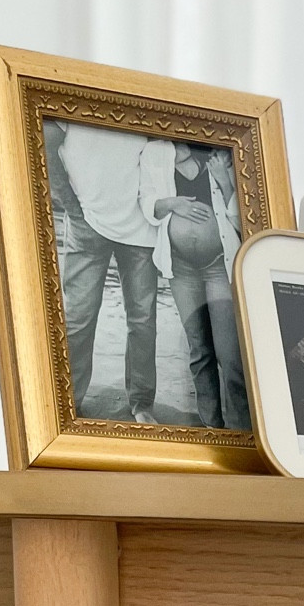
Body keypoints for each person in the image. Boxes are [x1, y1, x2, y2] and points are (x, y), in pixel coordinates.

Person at [43, 119, 162, 424]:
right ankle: (67, 402)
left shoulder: (145, 99)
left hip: (140, 226)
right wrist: (69, 205)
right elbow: (45, 138)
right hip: (87, 221)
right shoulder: (77, 91)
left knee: (143, 321)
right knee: (78, 319)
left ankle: (141, 403)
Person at [144, 143, 249, 430]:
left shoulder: (221, 155)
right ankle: (213, 429)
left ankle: (242, 432)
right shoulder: (154, 152)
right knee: (199, 351)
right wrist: (173, 203)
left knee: (230, 355)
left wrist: (226, 182)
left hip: (219, 265)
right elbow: (146, 203)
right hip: (181, 269)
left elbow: (247, 220)